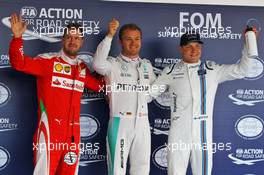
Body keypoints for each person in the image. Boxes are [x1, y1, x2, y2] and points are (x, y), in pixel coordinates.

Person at [9, 13, 103, 175]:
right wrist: (18, 37)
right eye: (69, 37)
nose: (73, 41)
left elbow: (100, 87)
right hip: (50, 131)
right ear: (63, 39)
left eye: (77, 38)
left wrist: (109, 70)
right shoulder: (48, 62)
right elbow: (19, 63)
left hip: (73, 135)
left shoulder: (82, 68)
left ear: (82, 42)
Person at [151, 30, 255, 175]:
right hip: (179, 132)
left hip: (203, 133)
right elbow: (149, 94)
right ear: (181, 48)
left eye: (197, 46)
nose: (194, 50)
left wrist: (249, 42)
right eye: (189, 46)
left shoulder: (212, 70)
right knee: (175, 172)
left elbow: (243, 70)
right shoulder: (170, 72)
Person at [92, 18, 156, 175]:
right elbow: (97, 64)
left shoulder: (146, 65)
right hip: (119, 122)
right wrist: (109, 36)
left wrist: (142, 97)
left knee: (142, 169)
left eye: (137, 39)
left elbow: (153, 91)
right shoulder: (112, 64)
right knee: (116, 170)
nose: (134, 43)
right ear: (120, 42)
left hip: (142, 122)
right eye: (128, 39)